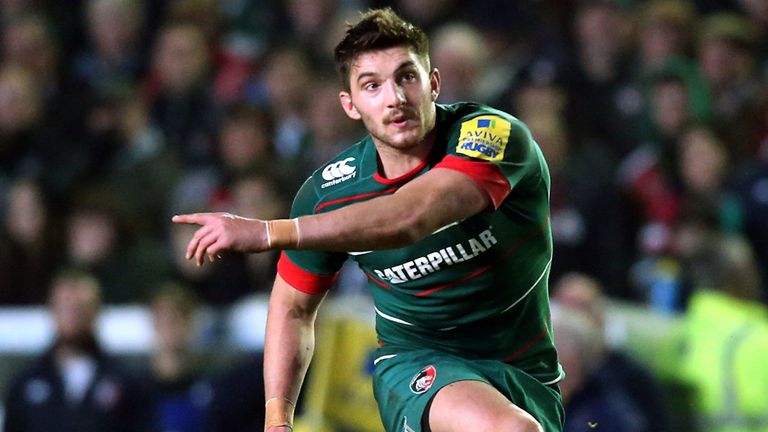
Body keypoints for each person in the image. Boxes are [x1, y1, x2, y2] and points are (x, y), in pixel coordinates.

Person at [173, 8, 563, 432]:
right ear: (351, 105)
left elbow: (413, 215)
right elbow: (292, 307)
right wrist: (277, 421)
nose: (394, 97)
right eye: (371, 86)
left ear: (433, 83)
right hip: (418, 363)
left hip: (527, 370)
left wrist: (270, 231)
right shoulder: (328, 192)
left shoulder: (492, 135)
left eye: (406, 77)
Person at [2, 269, 146, 432]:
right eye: (66, 307)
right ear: (52, 309)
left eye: (81, 308)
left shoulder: (126, 382)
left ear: (97, 311)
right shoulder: (24, 383)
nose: (73, 317)